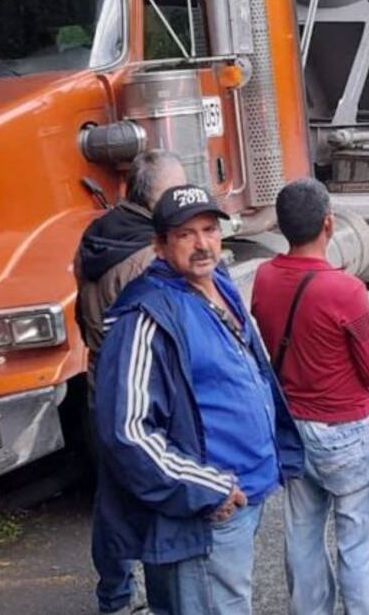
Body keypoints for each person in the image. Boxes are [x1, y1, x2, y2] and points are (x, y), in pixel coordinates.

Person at [93, 184, 304, 615]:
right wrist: (211, 489)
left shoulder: (217, 283)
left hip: (245, 494)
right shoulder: (146, 316)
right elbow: (127, 432)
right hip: (209, 512)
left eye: (209, 229)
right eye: (186, 234)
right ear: (159, 245)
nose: (202, 243)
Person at [251, 179, 369, 615]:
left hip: (294, 428)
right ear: (329, 225)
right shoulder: (346, 290)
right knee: (361, 547)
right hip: (347, 431)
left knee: (303, 540)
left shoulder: (264, 277)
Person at [76, 151, 187, 615]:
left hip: (101, 381)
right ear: (157, 197)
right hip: (138, 391)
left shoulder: (99, 235)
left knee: (113, 493)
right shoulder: (146, 256)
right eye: (177, 191)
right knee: (149, 495)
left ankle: (115, 593)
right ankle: (148, 599)